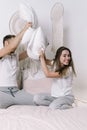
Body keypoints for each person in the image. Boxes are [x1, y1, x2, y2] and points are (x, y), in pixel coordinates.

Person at [0, 22, 35, 108]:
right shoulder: (1, 54)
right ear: (7, 43)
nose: (17, 44)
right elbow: (12, 47)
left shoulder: (15, 56)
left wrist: (39, 42)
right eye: (14, 41)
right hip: (2, 92)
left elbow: (29, 52)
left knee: (36, 100)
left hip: (15, 92)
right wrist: (25, 28)